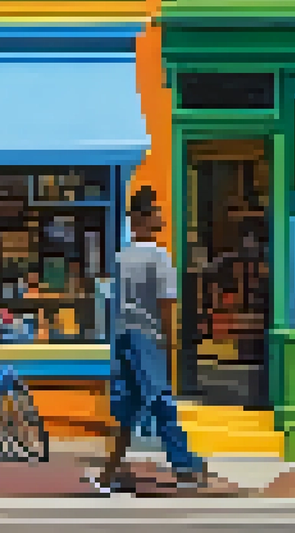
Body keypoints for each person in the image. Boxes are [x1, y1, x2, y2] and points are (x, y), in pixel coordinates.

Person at [98, 186, 208, 494]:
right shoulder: (160, 257)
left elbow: (113, 302)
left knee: (127, 407)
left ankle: (110, 471)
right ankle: (184, 464)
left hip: (123, 337)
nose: (161, 216)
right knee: (161, 400)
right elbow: (166, 303)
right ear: (143, 219)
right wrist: (171, 341)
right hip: (147, 337)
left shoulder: (121, 257)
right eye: (156, 211)